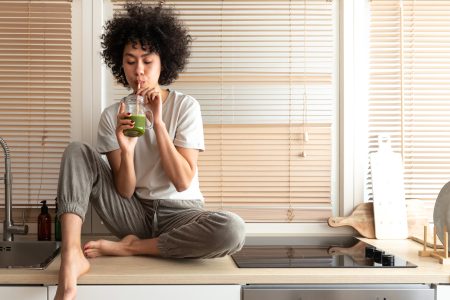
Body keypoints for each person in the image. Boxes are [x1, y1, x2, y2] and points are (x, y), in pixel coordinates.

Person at [54, 2, 246, 299]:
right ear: (121, 65)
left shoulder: (185, 107)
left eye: (147, 61)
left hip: (180, 215)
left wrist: (158, 123)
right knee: (77, 150)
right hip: (135, 213)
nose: (139, 71)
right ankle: (71, 258)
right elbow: (125, 189)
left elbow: (182, 182)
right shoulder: (112, 116)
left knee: (232, 229)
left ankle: (131, 247)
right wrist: (126, 148)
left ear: (163, 63)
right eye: (130, 62)